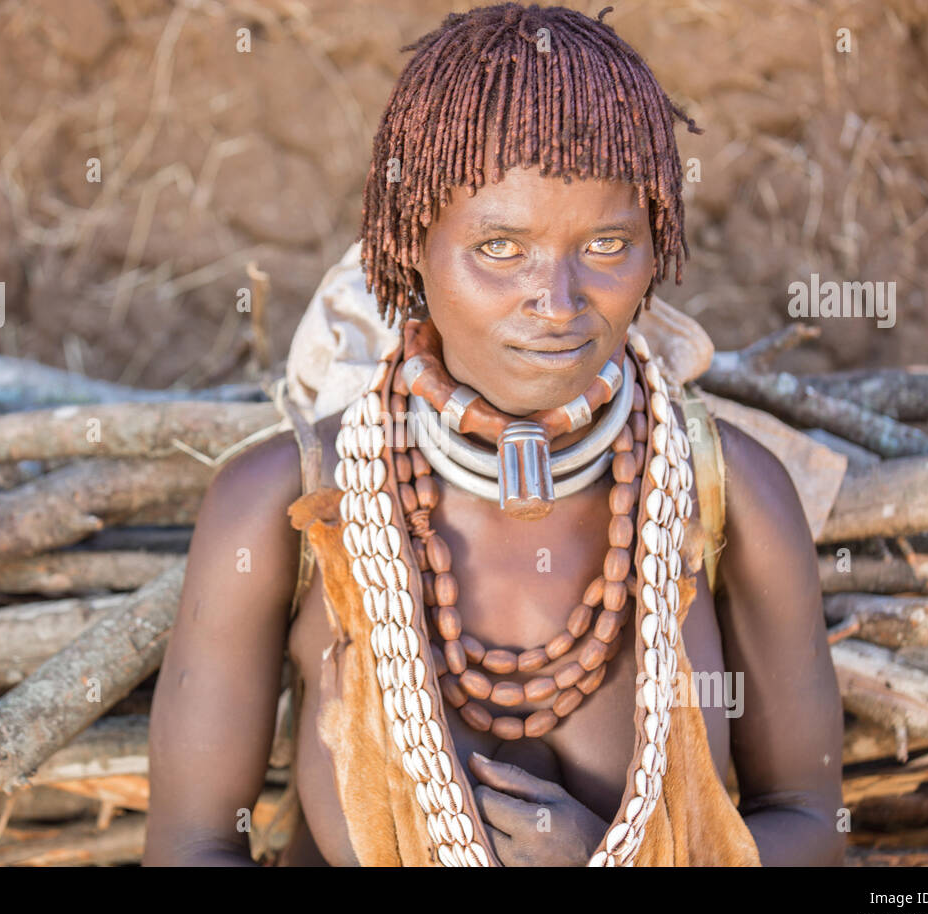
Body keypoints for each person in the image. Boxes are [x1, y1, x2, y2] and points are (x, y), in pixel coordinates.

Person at [143, 2, 844, 867]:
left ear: (655, 247)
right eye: (501, 247)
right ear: (410, 248)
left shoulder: (726, 496)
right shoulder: (284, 504)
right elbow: (192, 848)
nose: (557, 301)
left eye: (608, 243)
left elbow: (810, 827)